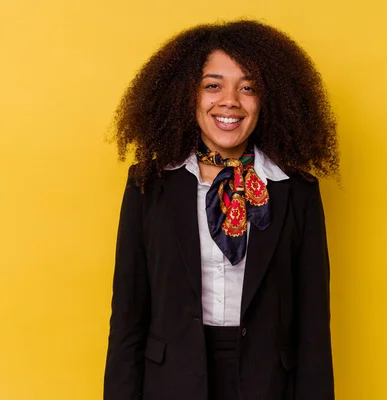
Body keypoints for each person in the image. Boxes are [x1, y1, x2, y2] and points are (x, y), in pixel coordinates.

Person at [104, 19, 339, 400]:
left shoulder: (297, 192)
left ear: (268, 99)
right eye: (212, 85)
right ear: (187, 95)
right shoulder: (148, 184)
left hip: (267, 386)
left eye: (248, 88)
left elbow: (313, 327)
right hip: (170, 384)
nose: (230, 100)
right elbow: (128, 317)